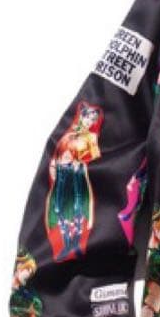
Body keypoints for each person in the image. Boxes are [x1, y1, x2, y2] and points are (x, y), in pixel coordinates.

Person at [45, 101, 102, 260]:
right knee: (58, 207)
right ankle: (67, 242)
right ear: (82, 117)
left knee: (78, 206)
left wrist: (82, 162)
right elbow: (58, 151)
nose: (90, 122)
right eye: (88, 118)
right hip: (61, 171)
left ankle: (75, 243)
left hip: (77, 171)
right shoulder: (69, 134)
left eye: (93, 120)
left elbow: (95, 157)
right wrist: (54, 165)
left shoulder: (91, 137)